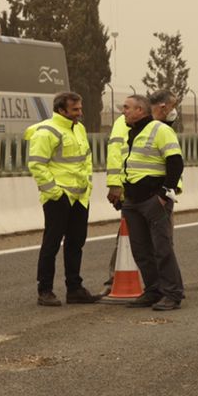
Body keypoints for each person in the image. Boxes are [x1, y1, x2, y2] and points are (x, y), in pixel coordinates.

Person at [105, 92, 185, 311]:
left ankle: (172, 293)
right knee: (140, 249)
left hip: (152, 199)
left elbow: (175, 162)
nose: (124, 111)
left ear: (140, 110)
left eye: (127, 107)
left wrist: (164, 193)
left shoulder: (161, 130)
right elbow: (127, 164)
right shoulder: (131, 132)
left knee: (162, 248)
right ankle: (153, 290)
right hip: (132, 201)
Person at [25, 91, 97, 306]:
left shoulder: (79, 128)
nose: (80, 113)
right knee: (52, 243)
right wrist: (55, 192)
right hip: (59, 196)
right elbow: (37, 164)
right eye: (75, 110)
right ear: (61, 110)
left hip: (80, 196)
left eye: (80, 108)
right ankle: (44, 290)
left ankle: (74, 289)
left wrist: (87, 186)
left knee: (76, 243)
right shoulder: (46, 132)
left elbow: (86, 160)